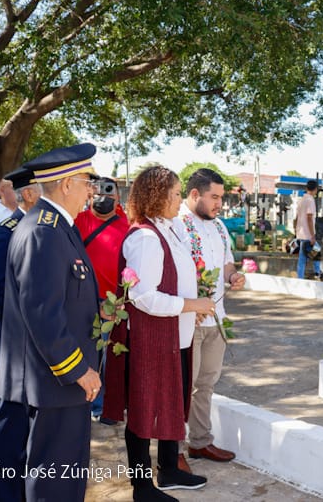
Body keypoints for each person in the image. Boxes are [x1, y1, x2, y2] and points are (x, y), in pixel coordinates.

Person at [0, 143, 102, 500]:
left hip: (52, 380)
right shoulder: (44, 231)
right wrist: (78, 370)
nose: (92, 190)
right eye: (88, 181)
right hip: (55, 381)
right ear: (67, 184)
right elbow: (43, 313)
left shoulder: (56, 227)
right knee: (56, 483)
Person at [104, 165, 214, 500]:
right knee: (142, 411)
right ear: (158, 195)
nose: (180, 200)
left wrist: (189, 308)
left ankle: (168, 470)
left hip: (175, 337)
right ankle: (141, 486)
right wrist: (191, 305)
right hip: (151, 340)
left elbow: (177, 281)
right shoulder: (146, 238)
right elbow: (143, 296)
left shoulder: (169, 229)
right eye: (177, 193)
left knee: (172, 405)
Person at [179, 168, 246, 468]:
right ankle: (174, 451)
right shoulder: (177, 225)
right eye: (214, 197)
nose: (220, 203)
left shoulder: (219, 226)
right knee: (181, 386)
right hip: (187, 321)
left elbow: (227, 264)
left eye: (222, 196)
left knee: (205, 384)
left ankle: (200, 442)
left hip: (216, 319)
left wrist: (235, 276)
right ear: (195, 194)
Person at [0, 168, 41, 393]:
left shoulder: (43, 230)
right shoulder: (4, 235)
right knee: (11, 426)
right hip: (9, 351)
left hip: (32, 354)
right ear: (31, 195)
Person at [75, 177, 130, 423]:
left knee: (110, 357)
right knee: (87, 355)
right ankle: (87, 404)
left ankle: (106, 406)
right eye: (97, 192)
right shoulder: (78, 221)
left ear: (118, 197)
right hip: (83, 300)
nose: (103, 198)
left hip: (115, 303)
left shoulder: (128, 224)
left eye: (109, 193)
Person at [294, 179, 321, 279]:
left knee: (306, 255)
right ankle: (316, 273)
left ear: (306, 188)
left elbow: (296, 217)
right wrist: (312, 235)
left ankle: (308, 275)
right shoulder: (310, 200)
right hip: (307, 234)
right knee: (315, 251)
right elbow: (309, 218)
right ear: (315, 189)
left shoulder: (301, 200)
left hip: (300, 233)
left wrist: (295, 230)